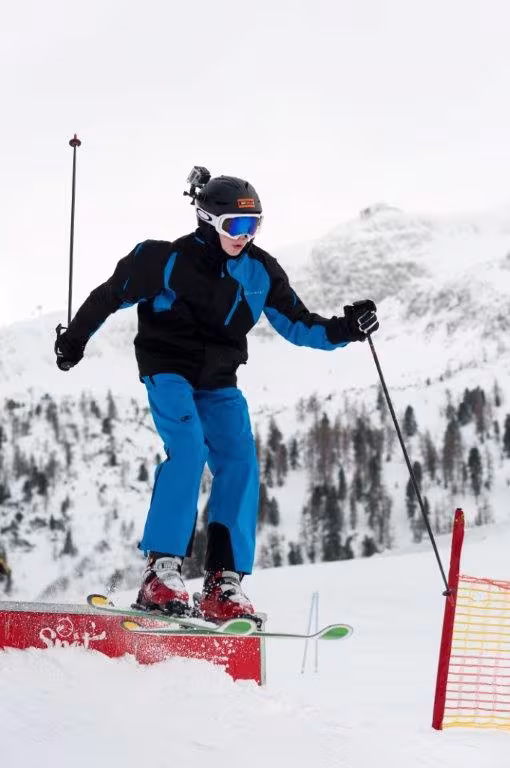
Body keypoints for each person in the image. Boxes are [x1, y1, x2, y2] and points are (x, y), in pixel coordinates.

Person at [54, 167, 379, 622]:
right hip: (168, 370)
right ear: (207, 219)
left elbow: (301, 326)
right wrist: (73, 341)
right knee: (187, 450)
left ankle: (222, 583)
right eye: (235, 226)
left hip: (220, 380)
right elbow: (109, 295)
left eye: (253, 225)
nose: (244, 236)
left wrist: (347, 329)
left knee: (240, 461)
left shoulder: (260, 271)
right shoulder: (163, 260)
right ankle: (161, 572)